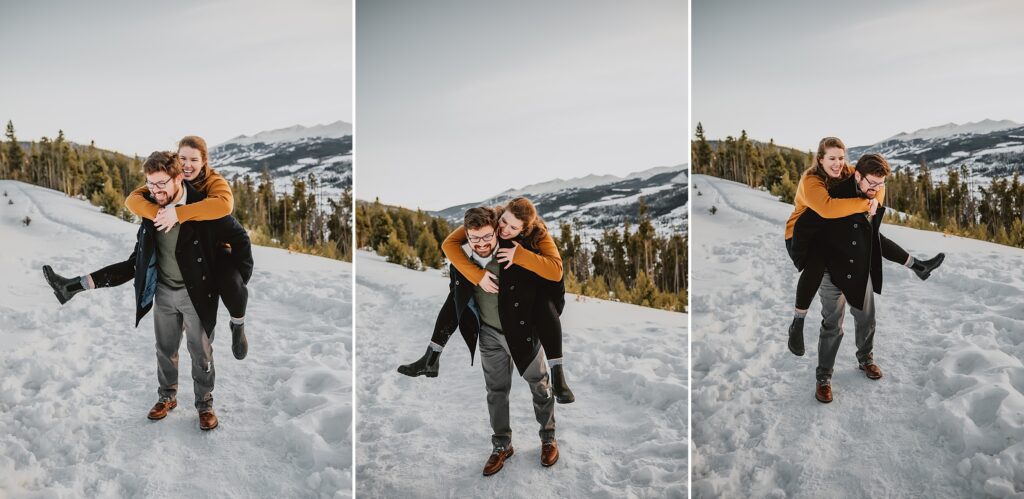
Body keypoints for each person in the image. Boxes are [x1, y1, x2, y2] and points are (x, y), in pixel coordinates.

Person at [41, 136, 251, 360]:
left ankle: (237, 325)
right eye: (183, 158)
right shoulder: (169, 180)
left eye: (194, 159)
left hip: (214, 247)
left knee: (229, 280)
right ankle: (72, 286)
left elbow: (225, 206)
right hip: (179, 242)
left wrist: (178, 214)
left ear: (204, 161)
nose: (187, 164)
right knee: (136, 264)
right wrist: (159, 214)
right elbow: (133, 199)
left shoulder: (212, 181)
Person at [397, 197, 575, 403]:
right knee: (457, 292)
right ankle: (431, 357)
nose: (505, 229)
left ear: (525, 228)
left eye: (513, 227)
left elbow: (556, 272)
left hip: (538, 288)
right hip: (502, 281)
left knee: (544, 302)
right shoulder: (491, 219)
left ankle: (558, 375)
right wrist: (477, 276)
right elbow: (449, 244)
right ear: (503, 213)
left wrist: (520, 255)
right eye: (504, 221)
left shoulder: (538, 233)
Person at [424, 206, 558, 475]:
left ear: (496, 230)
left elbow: (552, 278)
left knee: (539, 385)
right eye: (476, 239)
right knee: (496, 391)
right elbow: (454, 298)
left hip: (523, 334)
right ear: (469, 238)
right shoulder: (464, 262)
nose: (483, 244)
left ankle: (548, 438)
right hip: (489, 336)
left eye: (488, 237)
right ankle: (501, 446)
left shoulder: (515, 254)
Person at [783, 137, 944, 357]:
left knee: (872, 237)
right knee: (816, 263)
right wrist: (865, 204)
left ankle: (918, 266)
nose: (837, 163)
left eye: (841, 157)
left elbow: (875, 183)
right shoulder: (810, 180)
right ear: (820, 159)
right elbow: (826, 208)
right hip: (802, 233)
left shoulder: (849, 171)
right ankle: (797, 323)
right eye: (831, 158)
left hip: (828, 229)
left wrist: (875, 199)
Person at [130, 151, 253, 429]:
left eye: (161, 183)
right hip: (163, 290)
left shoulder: (202, 206)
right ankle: (166, 397)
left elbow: (239, 237)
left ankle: (205, 404)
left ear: (177, 178)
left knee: (201, 351)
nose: (155, 190)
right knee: (165, 348)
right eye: (150, 184)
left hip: (195, 292)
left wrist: (237, 276)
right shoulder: (151, 205)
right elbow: (143, 245)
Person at [794, 153, 904, 403]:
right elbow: (808, 226)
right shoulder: (834, 194)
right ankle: (823, 377)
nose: (876, 190)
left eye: (881, 184)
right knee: (833, 323)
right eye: (872, 184)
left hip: (857, 267)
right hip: (830, 269)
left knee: (866, 316)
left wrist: (909, 261)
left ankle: (866, 359)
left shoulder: (872, 193)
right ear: (857, 176)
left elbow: (873, 234)